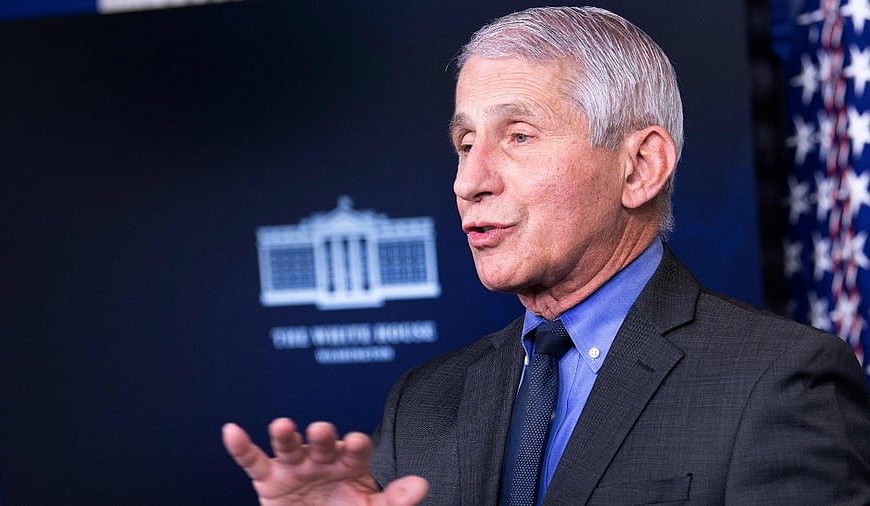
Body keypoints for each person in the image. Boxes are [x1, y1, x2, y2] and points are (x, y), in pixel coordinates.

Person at [222, 6, 870, 505]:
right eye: (465, 142)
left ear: (640, 167)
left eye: (518, 135)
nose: (468, 180)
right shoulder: (420, 404)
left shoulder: (782, 383)